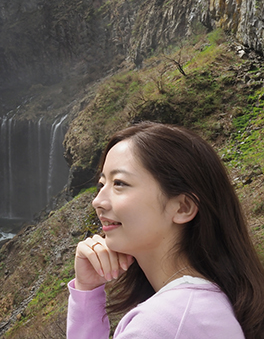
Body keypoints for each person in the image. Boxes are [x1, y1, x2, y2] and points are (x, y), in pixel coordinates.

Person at [66, 122, 264, 339]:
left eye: (120, 183)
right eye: (101, 184)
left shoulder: (162, 323)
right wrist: (87, 289)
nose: (98, 201)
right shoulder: (200, 308)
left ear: (182, 207)